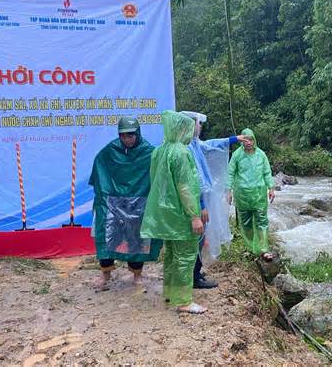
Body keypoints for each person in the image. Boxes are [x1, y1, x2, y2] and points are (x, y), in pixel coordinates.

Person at [140, 111, 206, 314]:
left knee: (170, 253)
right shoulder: (181, 152)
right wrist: (194, 215)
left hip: (166, 213)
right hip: (181, 214)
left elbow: (156, 182)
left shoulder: (159, 151)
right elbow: (186, 187)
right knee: (185, 256)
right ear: (183, 129)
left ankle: (170, 292)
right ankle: (184, 300)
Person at [89, 116, 162, 291]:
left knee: (136, 239)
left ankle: (137, 275)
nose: (127, 139)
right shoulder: (110, 150)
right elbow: (100, 169)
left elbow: (158, 175)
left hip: (139, 202)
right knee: (107, 237)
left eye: (130, 135)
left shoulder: (149, 152)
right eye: (123, 136)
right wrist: (105, 194)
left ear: (137, 133)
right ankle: (105, 275)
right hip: (113, 202)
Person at [182, 111, 250, 289]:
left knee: (198, 236)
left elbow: (211, 145)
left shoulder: (194, 144)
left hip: (198, 200)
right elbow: (195, 180)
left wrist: (233, 139)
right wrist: (202, 205)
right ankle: (193, 277)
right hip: (196, 202)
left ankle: (194, 273)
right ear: (190, 125)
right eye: (198, 123)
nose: (201, 126)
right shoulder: (187, 148)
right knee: (195, 238)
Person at [227, 128, 275, 260]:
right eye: (246, 139)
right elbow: (230, 172)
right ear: (242, 140)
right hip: (242, 195)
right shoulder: (237, 155)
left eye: (251, 139)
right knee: (246, 223)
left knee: (262, 221)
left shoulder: (261, 155)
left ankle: (264, 249)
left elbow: (267, 172)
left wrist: (271, 188)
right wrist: (228, 190)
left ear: (254, 140)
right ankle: (250, 248)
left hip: (259, 195)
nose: (248, 142)